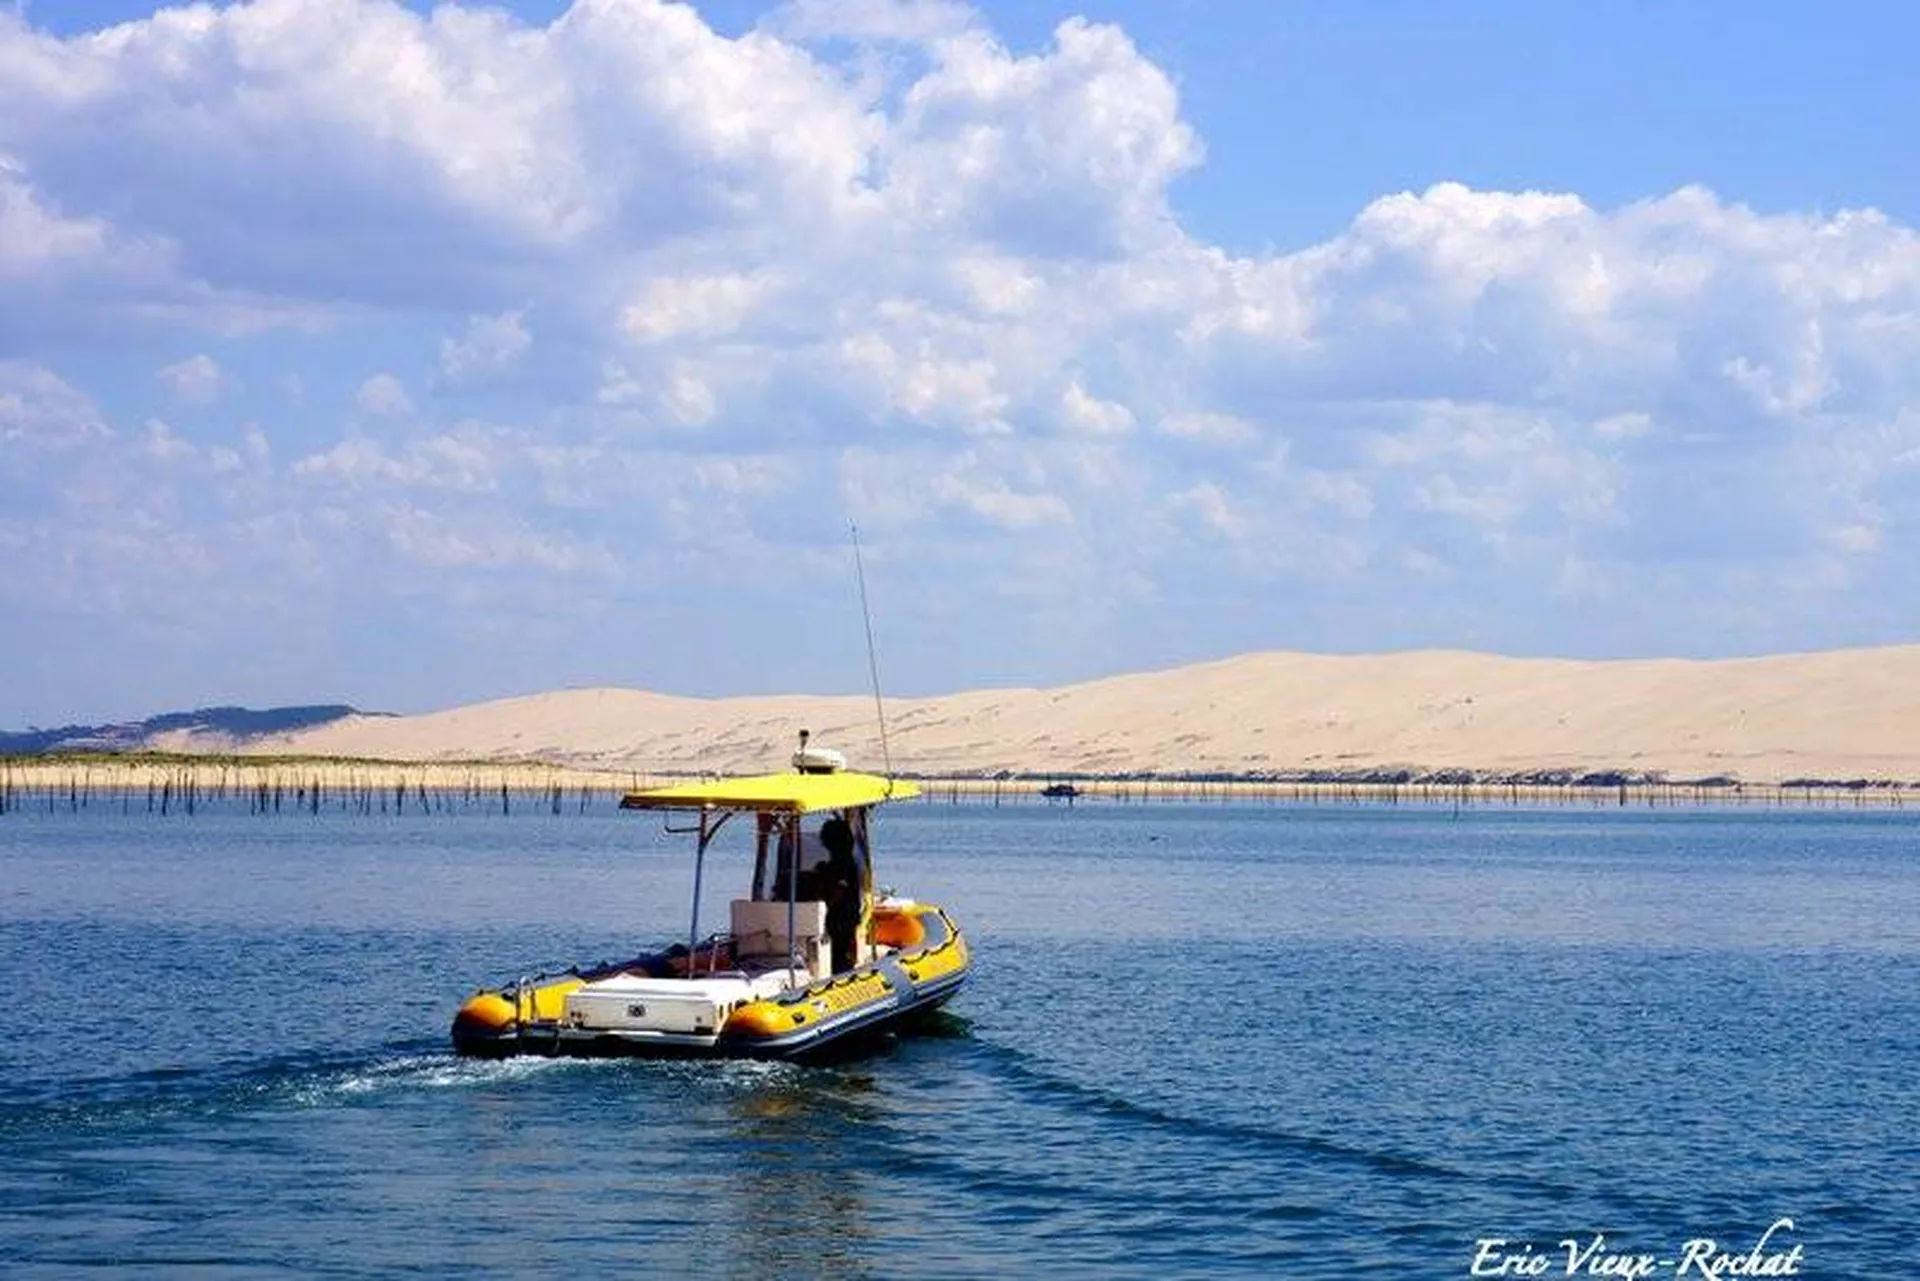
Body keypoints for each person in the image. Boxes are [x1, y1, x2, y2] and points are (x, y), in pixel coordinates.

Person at [818, 817, 862, 973]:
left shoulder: (844, 862)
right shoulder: (840, 860)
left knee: (840, 953)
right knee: (839, 951)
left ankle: (841, 972)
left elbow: (839, 889)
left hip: (842, 916)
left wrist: (826, 907)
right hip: (845, 914)